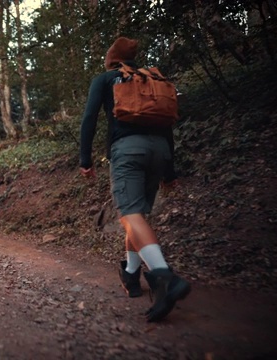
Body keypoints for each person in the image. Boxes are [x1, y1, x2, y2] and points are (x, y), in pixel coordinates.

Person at [79, 36, 190, 322]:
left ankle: (164, 276)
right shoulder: (151, 79)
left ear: (111, 59)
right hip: (159, 151)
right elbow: (166, 124)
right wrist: (170, 171)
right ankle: (131, 274)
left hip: (127, 151)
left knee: (129, 214)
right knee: (137, 215)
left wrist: (85, 161)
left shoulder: (105, 79)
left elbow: (89, 119)